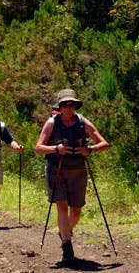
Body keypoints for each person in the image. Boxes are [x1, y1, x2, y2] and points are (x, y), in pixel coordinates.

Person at [35, 89, 109, 267]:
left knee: (76, 211)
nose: (69, 108)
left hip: (78, 170)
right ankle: (67, 247)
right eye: (65, 105)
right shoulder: (51, 123)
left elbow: (104, 143)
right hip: (56, 169)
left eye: (72, 105)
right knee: (61, 206)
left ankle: (64, 232)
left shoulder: (83, 122)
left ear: (75, 106)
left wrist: (90, 150)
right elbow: (38, 148)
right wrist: (55, 149)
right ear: (59, 107)